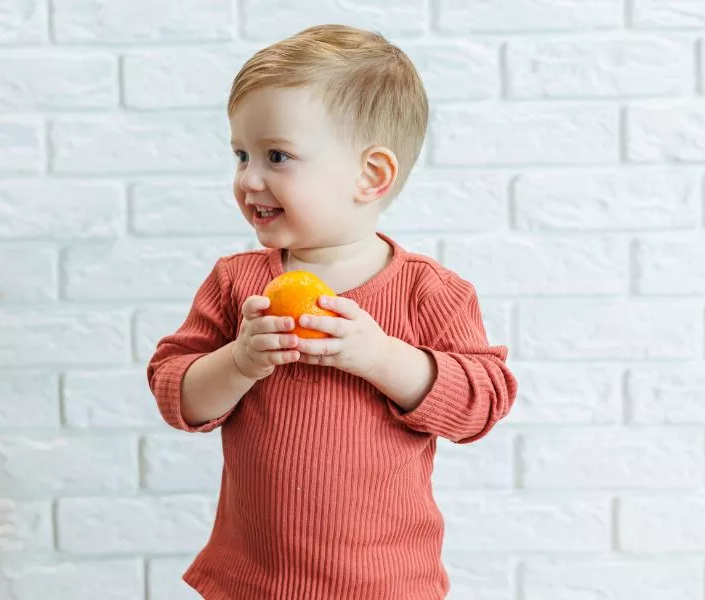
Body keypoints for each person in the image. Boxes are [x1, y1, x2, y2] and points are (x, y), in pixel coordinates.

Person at [147, 23, 518, 599]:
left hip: (386, 582)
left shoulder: (429, 291)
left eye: (277, 156)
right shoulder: (237, 281)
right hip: (253, 581)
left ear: (371, 176)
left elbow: (483, 403)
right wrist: (239, 362)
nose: (249, 179)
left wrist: (382, 358)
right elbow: (176, 392)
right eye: (241, 155)